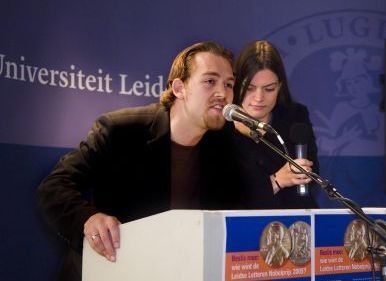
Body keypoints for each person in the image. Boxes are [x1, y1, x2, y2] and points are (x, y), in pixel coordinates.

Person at [36, 41, 243, 281]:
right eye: (210, 81)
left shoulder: (225, 144)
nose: (223, 93)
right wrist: (88, 219)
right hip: (110, 270)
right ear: (179, 88)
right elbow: (53, 186)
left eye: (229, 84)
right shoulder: (121, 130)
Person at [231, 40, 319, 209]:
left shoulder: (295, 115)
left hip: (298, 218)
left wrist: (260, 134)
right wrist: (277, 180)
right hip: (247, 224)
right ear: (236, 84)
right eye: (249, 88)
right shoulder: (221, 126)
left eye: (269, 89)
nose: (259, 98)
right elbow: (228, 196)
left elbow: (313, 176)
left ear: (280, 86)